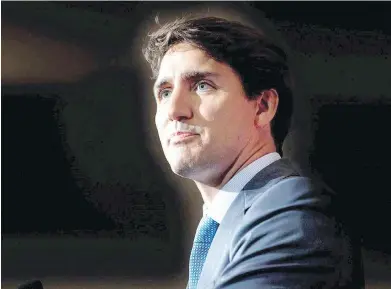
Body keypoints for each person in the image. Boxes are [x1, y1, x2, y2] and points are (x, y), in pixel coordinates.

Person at [142, 15, 364, 289]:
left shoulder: (293, 215)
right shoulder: (230, 222)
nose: (174, 110)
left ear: (262, 106)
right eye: (164, 92)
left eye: (202, 85)